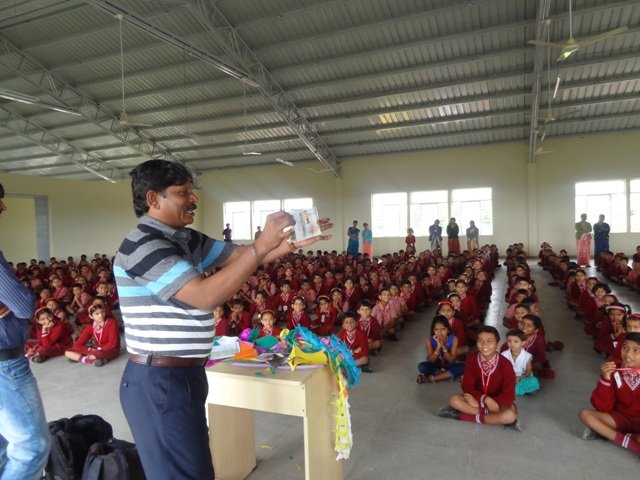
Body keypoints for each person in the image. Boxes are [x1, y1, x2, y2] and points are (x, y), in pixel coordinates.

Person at [113, 159, 331, 480]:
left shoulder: (185, 238)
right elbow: (204, 296)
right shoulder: (143, 246)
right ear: (153, 199)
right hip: (158, 380)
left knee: (195, 469)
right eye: (183, 192)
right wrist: (262, 244)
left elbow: (243, 257)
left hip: (183, 375)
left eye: (192, 191)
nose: (193, 199)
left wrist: (290, 243)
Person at [0, 182, 51, 480]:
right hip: (5, 363)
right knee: (32, 446)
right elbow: (23, 305)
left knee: (4, 444)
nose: (3, 207)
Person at [438, 326, 519, 430]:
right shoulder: (471, 359)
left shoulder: (506, 365)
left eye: (489, 341)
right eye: (480, 341)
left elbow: (508, 395)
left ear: (497, 344)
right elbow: (467, 386)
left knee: (509, 415)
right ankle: (493, 418)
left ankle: (462, 416)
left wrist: (491, 403)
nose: (484, 345)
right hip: (476, 398)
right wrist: (484, 400)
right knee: (454, 400)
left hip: (498, 403)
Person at [579, 332, 640, 455]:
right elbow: (603, 407)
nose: (628, 354)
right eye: (625, 347)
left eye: (636, 350)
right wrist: (606, 379)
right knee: (585, 415)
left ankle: (607, 433)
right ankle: (630, 443)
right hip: (620, 418)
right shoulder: (614, 368)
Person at [417, 316, 464, 384]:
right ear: (433, 331)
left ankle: (432, 378)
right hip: (435, 365)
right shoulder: (429, 339)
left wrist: (444, 347)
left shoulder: (454, 339)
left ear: (448, 330)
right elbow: (432, 361)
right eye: (436, 330)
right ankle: (449, 375)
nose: (439, 333)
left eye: (443, 329)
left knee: (462, 367)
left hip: (448, 365)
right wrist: (438, 347)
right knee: (422, 367)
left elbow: (451, 360)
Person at [501, 328, 540, 396]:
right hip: (509, 378)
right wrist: (512, 379)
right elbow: (501, 371)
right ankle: (520, 389)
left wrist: (519, 378)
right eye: (509, 341)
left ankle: (517, 388)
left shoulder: (527, 356)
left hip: (522, 378)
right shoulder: (503, 355)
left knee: (533, 381)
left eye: (516, 341)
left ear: (523, 343)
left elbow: (528, 372)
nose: (512, 344)